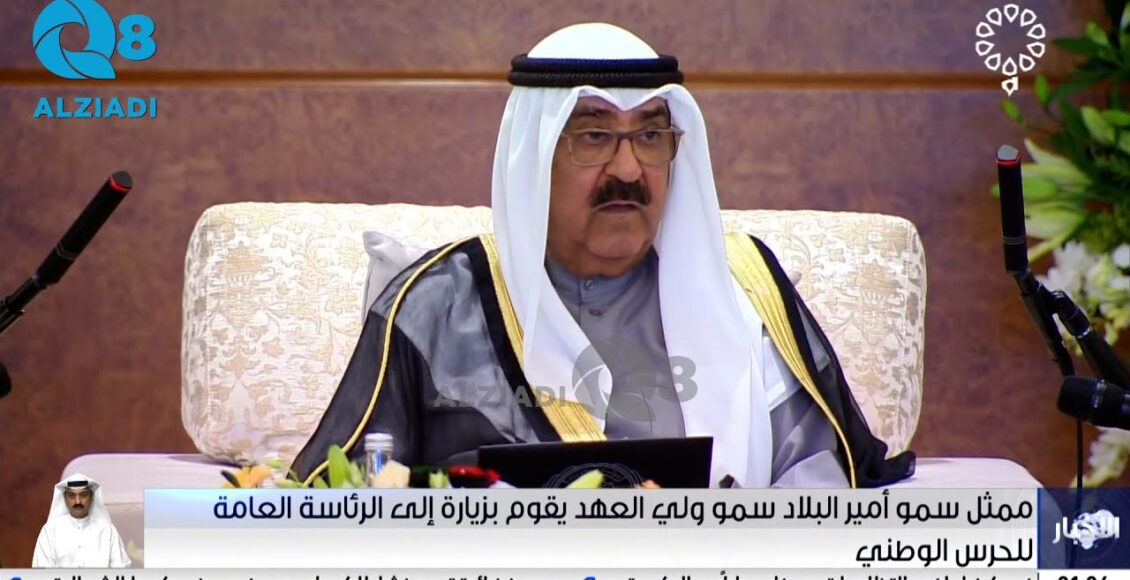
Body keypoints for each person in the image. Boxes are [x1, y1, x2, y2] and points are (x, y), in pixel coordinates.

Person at [292, 22, 914, 488]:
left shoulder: (746, 293)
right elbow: (341, 499)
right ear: (535, 159)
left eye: (650, 135)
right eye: (594, 136)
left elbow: (820, 494)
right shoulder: (435, 306)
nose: (629, 169)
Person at [33, 473, 130, 568]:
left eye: (83, 495)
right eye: (72, 496)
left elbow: (121, 568)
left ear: (91, 497)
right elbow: (41, 570)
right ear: (65, 499)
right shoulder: (50, 531)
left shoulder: (107, 530)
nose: (77, 501)